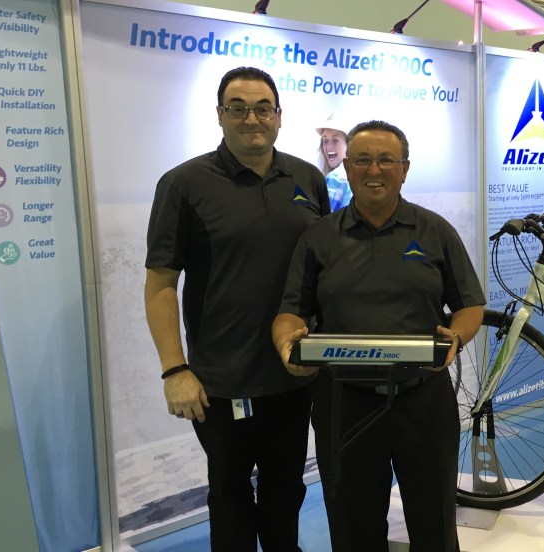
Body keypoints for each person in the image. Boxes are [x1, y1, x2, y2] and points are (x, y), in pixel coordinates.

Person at [273, 120, 485, 551]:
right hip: (344, 403)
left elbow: (470, 306)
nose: (375, 170)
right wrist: (286, 342)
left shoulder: (435, 231)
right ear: (347, 168)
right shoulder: (318, 238)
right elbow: (291, 312)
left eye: (387, 160)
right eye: (363, 160)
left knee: (435, 524)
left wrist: (456, 336)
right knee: (353, 528)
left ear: (404, 169)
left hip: (423, 397)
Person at [144, 66, 330, 551]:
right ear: (220, 115)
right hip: (222, 382)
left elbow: (326, 271)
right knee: (230, 496)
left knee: (286, 490)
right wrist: (174, 370)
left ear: (279, 116)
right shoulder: (184, 184)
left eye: (263, 108)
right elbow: (161, 284)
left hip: (294, 373)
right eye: (239, 108)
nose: (252, 118)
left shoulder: (307, 178)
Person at [316, 113, 352, 212]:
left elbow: (324, 219)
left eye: (335, 140)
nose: (329, 147)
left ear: (348, 144)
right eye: (325, 141)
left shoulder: (335, 178)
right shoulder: (354, 176)